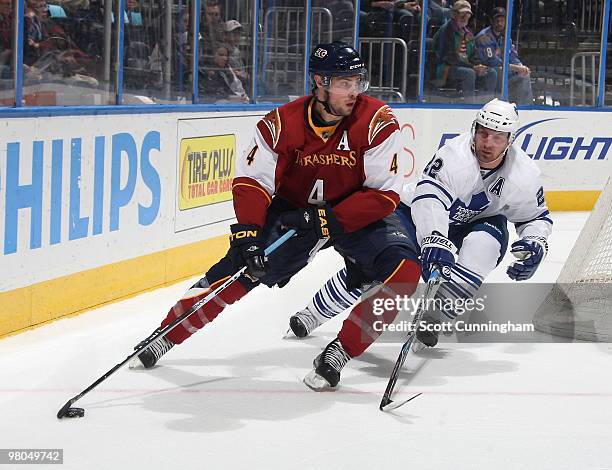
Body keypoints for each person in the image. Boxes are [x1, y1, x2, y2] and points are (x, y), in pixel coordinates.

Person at [129, 41, 422, 391]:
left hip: (359, 212)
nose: (354, 91)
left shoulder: (377, 121)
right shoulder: (280, 124)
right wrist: (250, 233)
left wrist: (326, 220)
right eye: (344, 83)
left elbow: (384, 193)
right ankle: (165, 335)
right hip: (294, 215)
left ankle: (341, 351)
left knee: (405, 272)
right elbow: (252, 181)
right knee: (240, 268)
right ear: (320, 82)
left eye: (357, 82)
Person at [287, 99, 553, 348]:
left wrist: (536, 241)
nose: (487, 143)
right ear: (474, 129)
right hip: (417, 212)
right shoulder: (454, 157)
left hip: (478, 221)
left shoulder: (524, 174)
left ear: (510, 140)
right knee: (377, 266)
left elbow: (535, 217)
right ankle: (313, 313)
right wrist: (434, 239)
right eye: (483, 133)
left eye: (497, 137)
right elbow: (430, 201)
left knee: (482, 247)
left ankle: (433, 317)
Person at [432, 0, 497, 102]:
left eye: (467, 15)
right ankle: (470, 105)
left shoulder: (468, 33)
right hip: (446, 68)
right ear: (454, 14)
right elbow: (450, 57)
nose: (465, 17)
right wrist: (473, 67)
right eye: (462, 14)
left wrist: (479, 65)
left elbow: (474, 55)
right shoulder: (446, 31)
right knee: (469, 73)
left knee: (491, 72)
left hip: (466, 66)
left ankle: (485, 104)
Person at [474, 7, 533, 105]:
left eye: (502, 21)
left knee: (524, 75)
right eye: (497, 21)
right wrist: (516, 68)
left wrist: (521, 67)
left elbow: (513, 57)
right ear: (491, 21)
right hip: (487, 72)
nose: (500, 23)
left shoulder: (505, 37)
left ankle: (525, 108)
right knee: (500, 72)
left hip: (503, 72)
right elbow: (492, 61)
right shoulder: (484, 37)